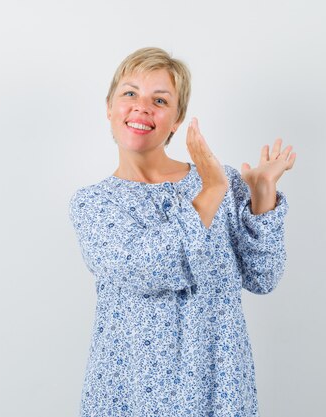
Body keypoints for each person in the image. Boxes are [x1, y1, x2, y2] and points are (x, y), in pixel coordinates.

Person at [68, 47, 296, 417]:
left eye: (159, 100)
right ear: (109, 107)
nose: (142, 107)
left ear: (176, 120)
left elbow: (263, 277)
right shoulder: (94, 204)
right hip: (131, 392)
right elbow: (141, 268)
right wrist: (210, 192)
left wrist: (261, 194)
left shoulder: (221, 183)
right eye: (130, 93)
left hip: (219, 389)